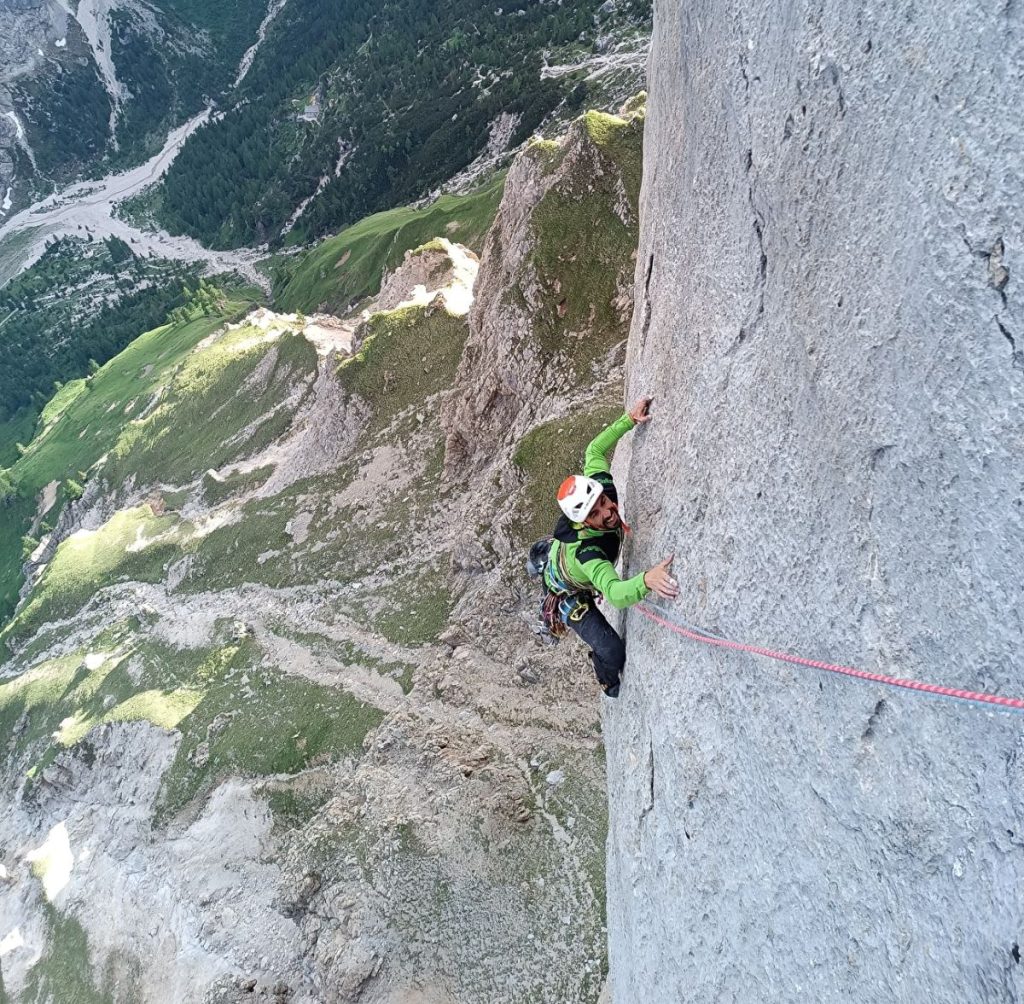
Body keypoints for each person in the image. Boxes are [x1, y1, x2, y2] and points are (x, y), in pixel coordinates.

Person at [541, 398, 679, 698]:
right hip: (570, 592)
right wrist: (646, 581)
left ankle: (542, 556)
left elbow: (594, 451)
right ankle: (605, 678)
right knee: (612, 652)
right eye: (595, 514)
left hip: (563, 556)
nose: (607, 512)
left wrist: (629, 420)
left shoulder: (602, 486)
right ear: (583, 521)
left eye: (603, 502)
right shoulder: (589, 553)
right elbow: (615, 594)